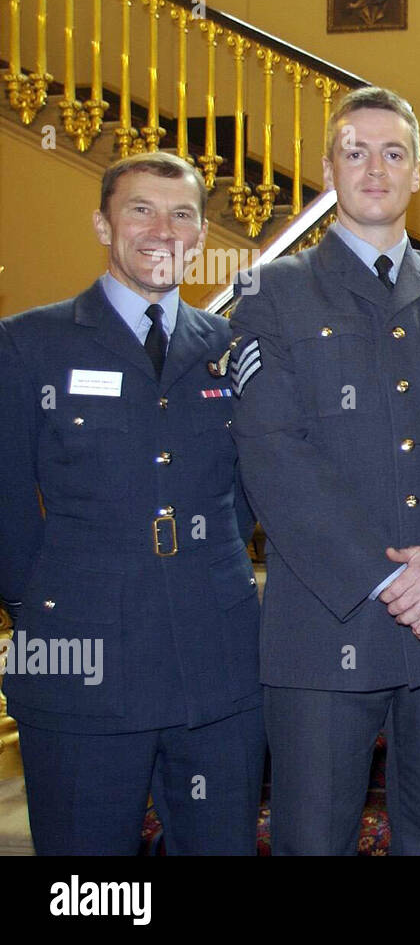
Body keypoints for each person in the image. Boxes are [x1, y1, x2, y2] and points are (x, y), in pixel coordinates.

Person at [229, 86, 420, 855]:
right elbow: (272, 452)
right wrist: (390, 579)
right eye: (355, 152)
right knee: (312, 839)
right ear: (329, 170)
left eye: (394, 152)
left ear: (418, 172)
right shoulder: (272, 292)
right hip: (327, 623)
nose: (375, 167)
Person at [0, 152, 263, 854]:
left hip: (216, 657)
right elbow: (6, 504)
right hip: (79, 658)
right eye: (140, 209)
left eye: (182, 214)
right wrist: (42, 610)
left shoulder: (227, 348)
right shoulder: (30, 343)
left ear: (201, 236)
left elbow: (242, 497)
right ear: (102, 223)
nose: (162, 229)